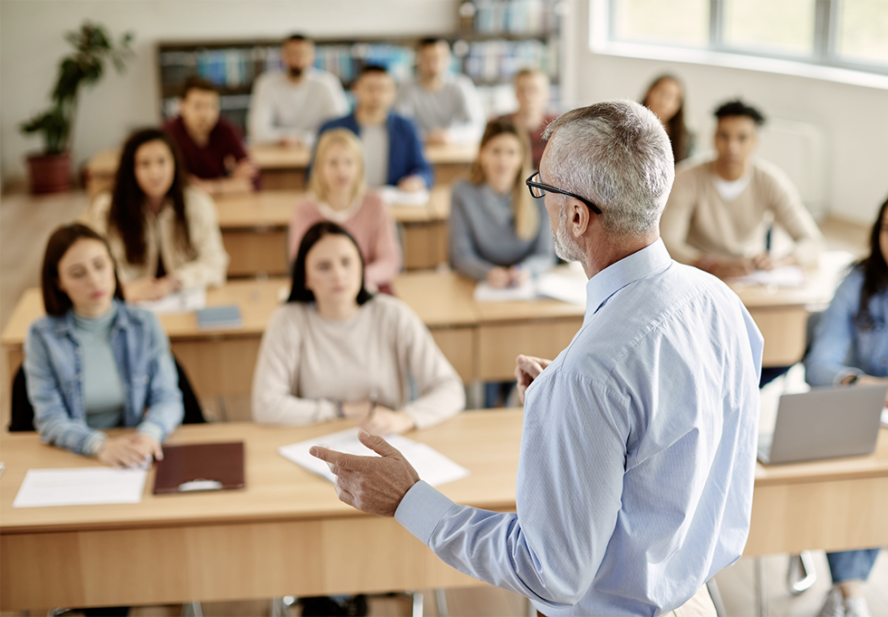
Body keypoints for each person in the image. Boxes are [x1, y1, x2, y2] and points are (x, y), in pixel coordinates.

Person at [310, 100, 764, 617]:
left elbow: (552, 573)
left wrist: (408, 498)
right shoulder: (720, 301)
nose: (537, 198)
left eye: (541, 187)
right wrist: (573, 409)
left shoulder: (594, 373)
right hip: (696, 599)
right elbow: (671, 437)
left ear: (576, 215)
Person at [804, 183, 888, 617]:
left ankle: (845, 594)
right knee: (864, 477)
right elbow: (819, 367)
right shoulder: (857, 284)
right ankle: (850, 594)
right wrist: (868, 384)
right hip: (862, 420)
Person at [253, 221, 464, 433]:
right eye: (323, 267)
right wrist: (341, 410)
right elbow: (265, 406)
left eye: (347, 262)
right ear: (305, 278)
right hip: (315, 441)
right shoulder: (288, 320)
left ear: (361, 266)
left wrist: (404, 418)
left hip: (385, 440)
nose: (338, 275)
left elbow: (450, 389)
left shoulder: (392, 314)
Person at [24, 223, 182, 466]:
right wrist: (99, 446)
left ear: (113, 265)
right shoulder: (41, 336)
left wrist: (150, 433)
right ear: (58, 282)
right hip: (75, 453)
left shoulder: (144, 323)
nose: (95, 280)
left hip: (134, 450)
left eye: (100, 265)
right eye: (78, 273)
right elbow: (50, 419)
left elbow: (167, 397)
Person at [661, 99, 824, 278]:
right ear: (713, 138)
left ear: (755, 141)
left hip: (749, 274)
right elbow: (668, 242)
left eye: (742, 138)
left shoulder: (770, 181)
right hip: (697, 272)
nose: (732, 146)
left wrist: (779, 262)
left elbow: (813, 242)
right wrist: (711, 264)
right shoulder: (686, 177)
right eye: (724, 136)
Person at [87, 128, 229, 303]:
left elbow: (215, 262)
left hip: (181, 300)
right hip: (128, 301)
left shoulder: (197, 202)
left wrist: (175, 282)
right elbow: (98, 263)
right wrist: (124, 288)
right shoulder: (107, 208)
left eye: (162, 162)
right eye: (145, 164)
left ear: (175, 163)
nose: (155, 173)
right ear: (131, 169)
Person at [288, 129, 402, 290]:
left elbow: (389, 262)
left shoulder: (375, 204)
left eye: (349, 162)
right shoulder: (304, 209)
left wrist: (353, 280)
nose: (341, 171)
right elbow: (301, 264)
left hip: (367, 287)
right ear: (320, 167)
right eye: (333, 163)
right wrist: (335, 282)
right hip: (322, 293)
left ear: (359, 167)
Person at [449, 118, 555, 288]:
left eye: (511, 152)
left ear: (521, 158)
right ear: (482, 155)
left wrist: (527, 271)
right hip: (479, 284)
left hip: (525, 284)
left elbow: (545, 254)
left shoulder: (539, 189)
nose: (503, 160)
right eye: (496, 151)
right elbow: (461, 256)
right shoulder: (462, 192)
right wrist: (487, 273)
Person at [317, 64, 433, 191]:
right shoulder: (332, 128)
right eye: (370, 89)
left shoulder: (406, 127)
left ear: (393, 93)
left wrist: (417, 180)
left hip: (392, 200)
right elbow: (314, 173)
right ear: (356, 89)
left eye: (383, 89)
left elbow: (423, 170)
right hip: (345, 200)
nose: (376, 95)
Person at [247, 33, 349, 147]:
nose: (297, 59)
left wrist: (302, 140)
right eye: (291, 53)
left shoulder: (327, 83)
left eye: (302, 53)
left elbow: (339, 128)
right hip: (276, 152)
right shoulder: (266, 84)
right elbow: (257, 131)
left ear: (312, 56)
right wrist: (286, 139)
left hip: (319, 150)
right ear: (282, 56)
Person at [162, 76, 257, 195]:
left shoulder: (226, 130)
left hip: (224, 206)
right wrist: (230, 183)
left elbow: (253, 181)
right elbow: (172, 185)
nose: (205, 114)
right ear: (181, 106)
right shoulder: (168, 134)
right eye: (198, 106)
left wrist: (208, 187)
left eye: (212, 106)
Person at [395, 38, 485, 145]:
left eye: (438, 58)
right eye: (427, 59)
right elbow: (399, 125)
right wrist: (425, 137)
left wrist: (452, 136)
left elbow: (477, 125)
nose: (433, 65)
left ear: (449, 59)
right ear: (418, 60)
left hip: (455, 149)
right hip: (418, 148)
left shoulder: (462, 86)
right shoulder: (406, 88)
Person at [498, 68, 558, 169]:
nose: (527, 96)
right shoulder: (500, 125)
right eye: (522, 90)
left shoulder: (558, 127)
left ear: (546, 94)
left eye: (534, 90)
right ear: (515, 93)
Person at [640, 74, 694, 164]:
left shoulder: (686, 137)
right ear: (648, 93)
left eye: (674, 98)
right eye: (662, 93)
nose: (665, 102)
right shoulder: (626, 123)